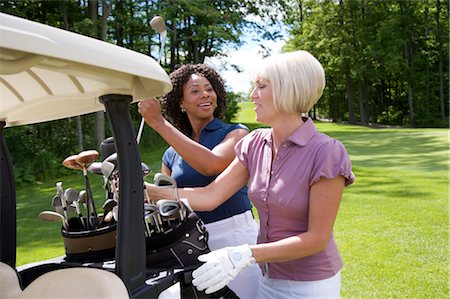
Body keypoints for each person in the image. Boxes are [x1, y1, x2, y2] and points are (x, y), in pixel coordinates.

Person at [146, 51, 355, 298]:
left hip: (310, 284)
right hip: (268, 278)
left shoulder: (326, 152)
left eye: (261, 87)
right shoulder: (255, 143)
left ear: (288, 90)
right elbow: (212, 195)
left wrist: (245, 254)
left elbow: (316, 239)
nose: (252, 95)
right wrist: (144, 190)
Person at [138, 63, 261, 298]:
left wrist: (158, 123)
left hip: (235, 236)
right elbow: (170, 208)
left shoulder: (236, 133)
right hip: (190, 241)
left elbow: (212, 164)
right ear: (180, 103)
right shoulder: (171, 153)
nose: (205, 94)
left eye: (209, 88)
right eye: (195, 90)